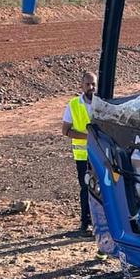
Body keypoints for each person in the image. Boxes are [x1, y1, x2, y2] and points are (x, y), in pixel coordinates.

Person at [61, 71, 95, 236]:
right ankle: (85, 222)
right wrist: (89, 137)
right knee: (86, 188)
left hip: (101, 154)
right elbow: (66, 130)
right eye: (88, 84)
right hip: (83, 156)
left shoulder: (103, 103)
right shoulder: (73, 104)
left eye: (93, 84)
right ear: (81, 86)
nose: (91, 87)